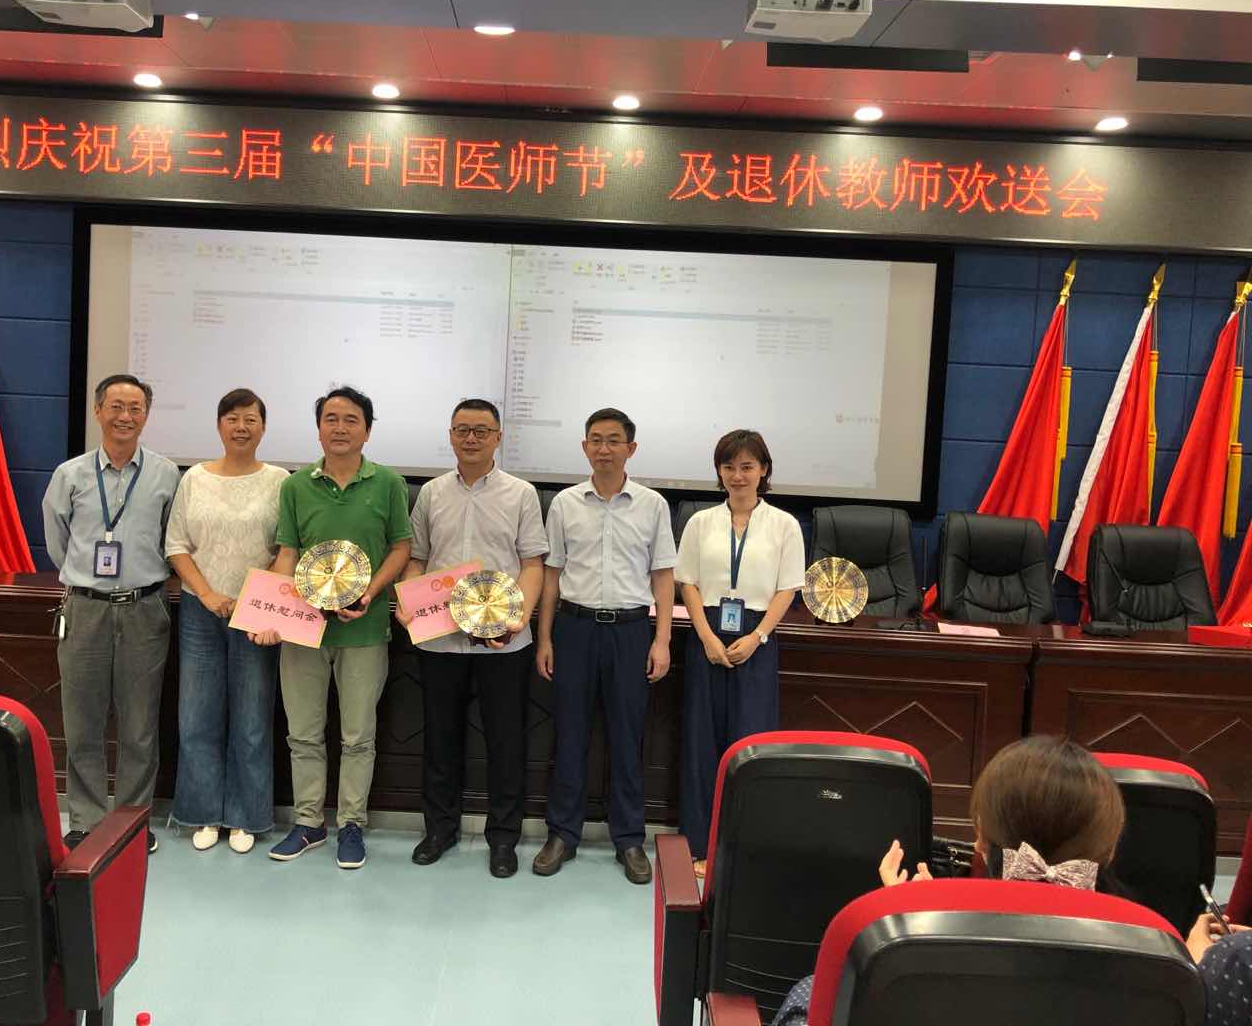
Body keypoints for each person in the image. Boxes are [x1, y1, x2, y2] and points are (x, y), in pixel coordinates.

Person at [772, 735, 1248, 1025]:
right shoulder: (1166, 963)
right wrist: (1195, 967)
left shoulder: (893, 941)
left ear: (981, 838)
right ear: (1110, 849)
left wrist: (902, 926)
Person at [256, 386, 412, 871]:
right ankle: (308, 823)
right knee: (303, 734)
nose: (340, 427)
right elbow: (287, 553)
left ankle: (351, 825)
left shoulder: (388, 483)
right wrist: (271, 616)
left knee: (358, 736)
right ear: (318, 428)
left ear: (367, 429)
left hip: (364, 631)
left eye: (350, 419)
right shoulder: (296, 486)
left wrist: (370, 594)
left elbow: (401, 548)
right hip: (304, 629)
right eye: (330, 419)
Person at [396, 398, 547, 878]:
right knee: (440, 738)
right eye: (462, 429)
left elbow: (532, 564)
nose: (471, 438)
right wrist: (408, 601)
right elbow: (418, 559)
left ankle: (503, 838)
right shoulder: (431, 493)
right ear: (451, 436)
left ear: (498, 438)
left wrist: (517, 617)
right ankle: (439, 830)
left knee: (506, 742)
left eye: (482, 430)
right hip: (440, 638)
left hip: (504, 641)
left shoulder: (522, 494)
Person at [534, 408, 676, 885]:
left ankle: (630, 839)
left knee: (627, 737)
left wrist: (662, 640)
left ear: (630, 449)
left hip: (630, 632)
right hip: (574, 629)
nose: (604, 448)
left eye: (614, 440)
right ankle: (562, 834)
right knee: (570, 734)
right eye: (595, 439)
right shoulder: (564, 504)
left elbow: (663, 576)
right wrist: (545, 638)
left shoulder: (653, 505)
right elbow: (552, 575)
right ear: (584, 447)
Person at [42, 373, 180, 854]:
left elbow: (171, 539)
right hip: (85, 608)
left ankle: (131, 823)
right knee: (82, 723)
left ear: (146, 415)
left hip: (144, 608)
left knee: (140, 726)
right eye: (116, 406)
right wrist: (87, 577)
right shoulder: (70, 475)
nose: (125, 416)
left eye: (135, 407)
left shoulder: (166, 474)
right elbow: (57, 541)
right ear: (98, 410)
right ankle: (85, 821)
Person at [674, 430, 804, 879]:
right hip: (707, 635)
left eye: (747, 466)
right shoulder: (700, 522)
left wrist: (758, 636)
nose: (738, 475)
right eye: (729, 467)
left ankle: (747, 848)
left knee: (751, 746)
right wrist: (705, 636)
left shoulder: (784, 525)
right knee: (702, 744)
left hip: (756, 638)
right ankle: (699, 845)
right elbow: (687, 582)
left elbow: (787, 588)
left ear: (763, 470)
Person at [165, 388, 289, 854]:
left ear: (263, 427)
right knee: (197, 715)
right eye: (232, 418)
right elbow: (177, 545)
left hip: (257, 614)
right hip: (201, 609)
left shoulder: (280, 481)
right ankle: (203, 813)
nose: (241, 427)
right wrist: (208, 593)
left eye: (250, 419)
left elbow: (287, 548)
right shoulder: (194, 478)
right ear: (219, 425)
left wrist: (256, 600)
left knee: (252, 719)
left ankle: (244, 817)